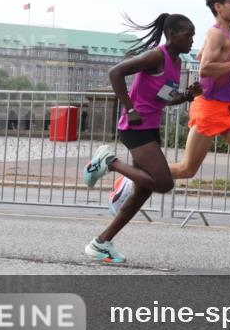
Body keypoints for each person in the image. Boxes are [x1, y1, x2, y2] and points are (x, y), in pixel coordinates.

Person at [109, 0, 230, 246]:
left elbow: (212, 70)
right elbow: (205, 69)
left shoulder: (225, 35)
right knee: (189, 168)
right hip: (211, 109)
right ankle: (128, 181)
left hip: (227, 107)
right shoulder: (217, 34)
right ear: (219, 7)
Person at [82, 13, 201, 264]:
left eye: (193, 35)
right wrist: (130, 108)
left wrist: (187, 96)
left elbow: (163, 97)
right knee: (164, 183)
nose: (192, 39)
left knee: (142, 193)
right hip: (135, 128)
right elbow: (116, 72)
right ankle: (109, 162)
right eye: (187, 34)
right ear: (172, 35)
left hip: (150, 127)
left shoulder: (176, 62)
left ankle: (100, 243)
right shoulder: (156, 55)